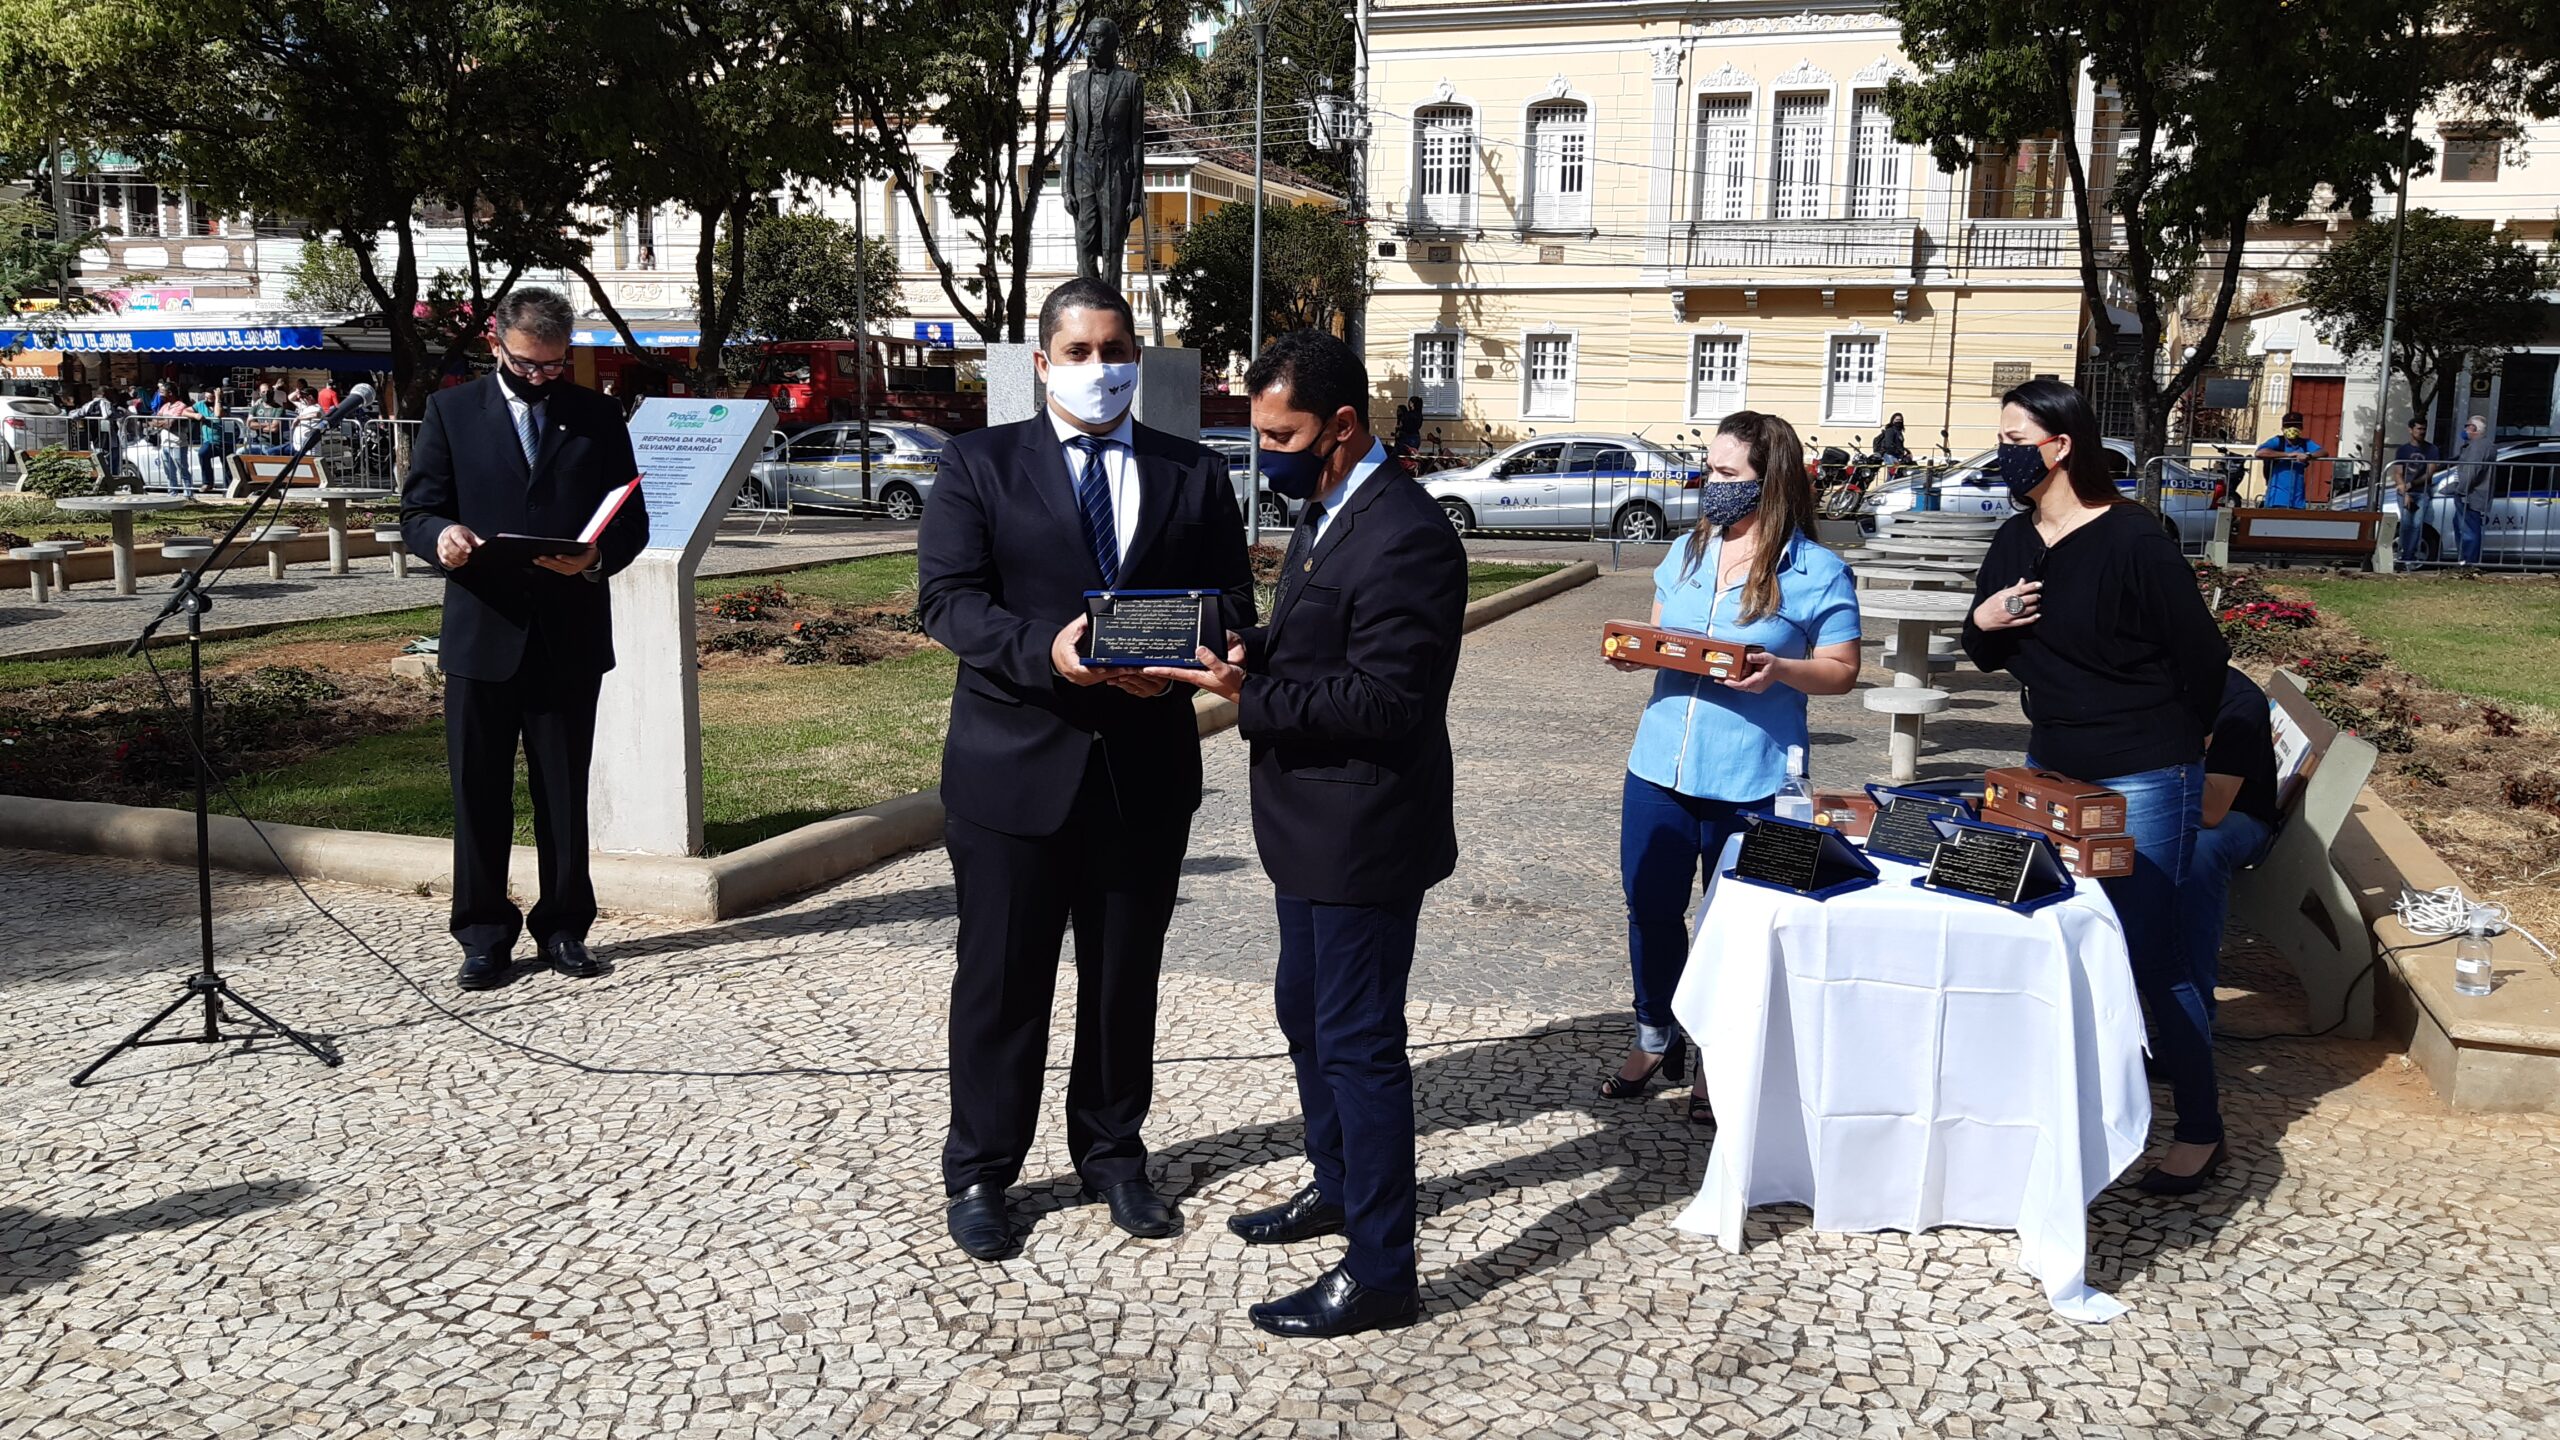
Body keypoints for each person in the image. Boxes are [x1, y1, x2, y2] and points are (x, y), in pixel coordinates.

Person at [916, 277, 1255, 1263]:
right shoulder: (980, 465)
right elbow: (947, 601)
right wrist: (1043, 650)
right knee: (1000, 981)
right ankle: (980, 1169)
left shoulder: (1191, 472)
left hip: (1142, 766)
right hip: (1012, 769)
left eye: (1117, 350)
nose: (1101, 368)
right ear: (1041, 362)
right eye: (1080, 351)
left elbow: (1228, 597)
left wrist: (1194, 664)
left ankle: (1113, 1152)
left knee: (1122, 979)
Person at [1142, 330, 1468, 1339]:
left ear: (1339, 426)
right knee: (1305, 1017)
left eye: (1279, 434)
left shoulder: (1406, 531)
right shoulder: (1333, 508)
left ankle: (1381, 1270)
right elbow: (1331, 636)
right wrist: (1258, 644)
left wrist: (1252, 693)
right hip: (1311, 829)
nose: (1264, 452)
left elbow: (1386, 699)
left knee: (1360, 1044)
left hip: (1363, 832)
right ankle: (1336, 1185)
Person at [1964, 378, 2231, 1194]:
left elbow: (2204, 661)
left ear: (2062, 445)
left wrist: (2178, 750)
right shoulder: (2015, 540)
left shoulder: (2134, 539)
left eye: (2016, 439)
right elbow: (1982, 649)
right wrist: (1986, 621)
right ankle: (2073, 1096)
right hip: (2052, 766)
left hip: (2146, 767)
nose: (2005, 453)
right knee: (2051, 934)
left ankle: (2201, 1125)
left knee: (2148, 947)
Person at [1602, 410, 1861, 1125]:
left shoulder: (1818, 570)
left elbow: (1842, 671)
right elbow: (1661, 634)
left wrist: (1782, 671)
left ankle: (1720, 1055)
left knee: (1735, 928)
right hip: (1660, 765)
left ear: (1768, 482)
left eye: (1725, 475)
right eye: (1708, 470)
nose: (1708, 485)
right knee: (1650, 910)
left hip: (1754, 778)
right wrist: (1635, 651)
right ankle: (1655, 1033)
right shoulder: (1688, 551)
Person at [398, 286, 650, 994]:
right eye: (529, 364)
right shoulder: (452, 412)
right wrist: (439, 537)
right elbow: (418, 508)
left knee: (563, 791)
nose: (542, 376)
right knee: (478, 789)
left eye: (555, 364)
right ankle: (482, 934)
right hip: (483, 631)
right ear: (496, 345)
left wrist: (594, 558)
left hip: (567, 634)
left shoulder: (597, 416)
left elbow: (632, 520)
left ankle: (565, 926)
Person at [2167, 667, 2284, 1196]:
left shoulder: (2235, 704)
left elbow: (2213, 812)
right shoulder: (2140, 686)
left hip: (2241, 822)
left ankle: (2193, 1019)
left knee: (2198, 852)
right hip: (2183, 807)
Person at [2445, 414, 2496, 568]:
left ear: (2473, 429)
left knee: (2468, 530)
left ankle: (2468, 563)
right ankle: (2466, 561)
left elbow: (2471, 472)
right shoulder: (2485, 445)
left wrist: (2460, 490)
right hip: (2474, 494)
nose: (2464, 429)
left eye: (2467, 426)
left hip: (2470, 496)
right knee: (2465, 527)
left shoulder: (2477, 447)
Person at [2252, 410, 2322, 509]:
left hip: (2298, 501)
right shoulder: (2278, 441)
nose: (2292, 429)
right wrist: (2287, 455)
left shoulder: (2305, 443)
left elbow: (2323, 452)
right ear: (2282, 428)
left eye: (2295, 426)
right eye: (2288, 426)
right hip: (2277, 499)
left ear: (2301, 428)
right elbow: (2260, 452)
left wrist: (2309, 455)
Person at [2391, 419, 2437, 567]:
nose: (2421, 432)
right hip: (2405, 492)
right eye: (2418, 429)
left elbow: (2429, 473)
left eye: (2424, 429)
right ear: (2410, 430)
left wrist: (2412, 484)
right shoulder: (2403, 450)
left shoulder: (2432, 449)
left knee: (2417, 525)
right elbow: (2398, 473)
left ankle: (2408, 556)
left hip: (2422, 492)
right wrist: (2405, 491)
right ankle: (2403, 554)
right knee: (2405, 523)